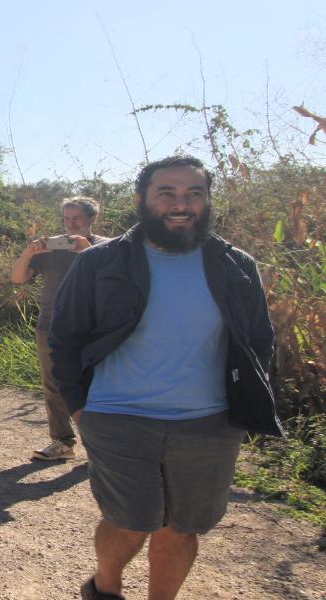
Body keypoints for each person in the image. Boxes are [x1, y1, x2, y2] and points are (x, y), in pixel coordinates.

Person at [50, 156, 281, 600]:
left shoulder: (235, 265)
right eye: (167, 193)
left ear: (207, 200)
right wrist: (80, 408)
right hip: (117, 417)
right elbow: (65, 340)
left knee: (182, 527)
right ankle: (105, 587)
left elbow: (258, 341)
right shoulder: (100, 262)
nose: (181, 204)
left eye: (193, 194)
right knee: (130, 521)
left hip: (209, 423)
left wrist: (244, 405)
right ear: (141, 199)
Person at [10, 197, 109, 461]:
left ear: (93, 218)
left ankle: (99, 446)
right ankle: (62, 442)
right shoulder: (52, 248)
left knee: (94, 385)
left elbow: (111, 282)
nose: (70, 224)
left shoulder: (106, 247)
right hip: (51, 323)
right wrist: (29, 253)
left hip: (92, 326)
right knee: (53, 384)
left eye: (76, 218)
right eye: (66, 218)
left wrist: (86, 250)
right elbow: (17, 278)